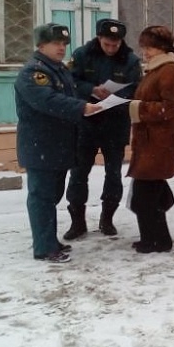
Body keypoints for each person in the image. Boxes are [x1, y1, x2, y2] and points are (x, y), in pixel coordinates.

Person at [15, 23, 101, 263]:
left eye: (64, 44)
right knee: (42, 197)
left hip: (57, 146)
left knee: (52, 195)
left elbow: (67, 97)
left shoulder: (58, 69)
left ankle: (50, 241)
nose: (62, 48)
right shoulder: (34, 72)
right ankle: (43, 247)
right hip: (41, 146)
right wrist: (82, 107)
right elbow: (48, 100)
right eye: (56, 43)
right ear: (41, 45)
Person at [63, 18, 142, 240]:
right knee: (78, 174)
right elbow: (70, 81)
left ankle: (107, 219)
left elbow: (137, 88)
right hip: (85, 123)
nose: (111, 48)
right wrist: (91, 89)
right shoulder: (82, 54)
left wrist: (117, 96)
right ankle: (77, 222)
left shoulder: (130, 60)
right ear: (99, 38)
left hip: (115, 125)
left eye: (115, 45)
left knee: (113, 174)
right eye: (107, 44)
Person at [126, 25, 174, 253]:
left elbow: (169, 108)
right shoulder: (155, 70)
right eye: (144, 47)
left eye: (149, 47)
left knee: (144, 196)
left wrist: (137, 108)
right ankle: (157, 238)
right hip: (149, 142)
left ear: (162, 48)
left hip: (159, 144)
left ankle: (155, 241)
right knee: (150, 193)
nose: (145, 52)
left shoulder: (169, 72)